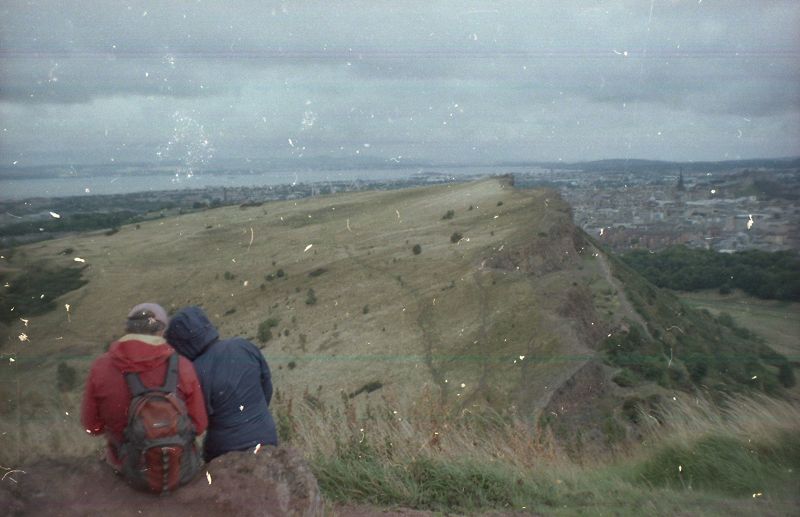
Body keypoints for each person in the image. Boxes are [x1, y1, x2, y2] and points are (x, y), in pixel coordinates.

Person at [81, 303, 208, 482]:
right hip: (180, 469)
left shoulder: (100, 368)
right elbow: (200, 425)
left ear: (128, 330)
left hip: (127, 469)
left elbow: (91, 425)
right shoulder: (183, 366)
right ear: (161, 331)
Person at [165, 306, 278, 462]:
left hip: (224, 450)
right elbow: (267, 386)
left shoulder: (194, 371)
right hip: (267, 435)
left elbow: (199, 422)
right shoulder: (244, 346)